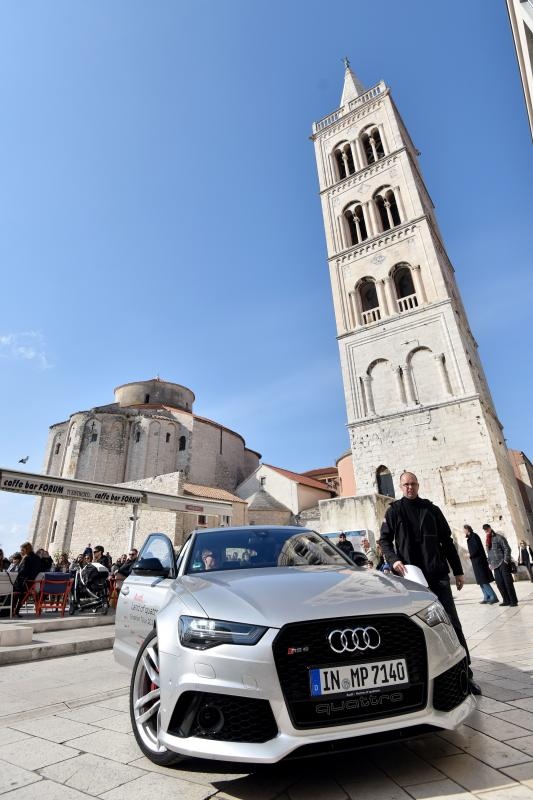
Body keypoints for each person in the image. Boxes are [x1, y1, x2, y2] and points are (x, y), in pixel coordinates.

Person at [379, 471, 481, 695]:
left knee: (451, 623)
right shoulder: (394, 511)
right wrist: (394, 559)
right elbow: (384, 540)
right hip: (411, 579)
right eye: (406, 484)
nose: (409, 488)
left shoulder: (431, 509)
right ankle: (421, 675)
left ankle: (466, 674)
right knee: (415, 627)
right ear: (400, 486)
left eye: (413, 484)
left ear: (418, 485)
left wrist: (458, 571)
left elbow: (446, 541)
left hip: (437, 575)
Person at [483, 524, 518, 607]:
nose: (486, 531)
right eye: (485, 530)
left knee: (508, 582)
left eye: (487, 529)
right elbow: (489, 553)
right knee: (499, 583)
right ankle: (506, 600)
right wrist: (489, 562)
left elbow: (507, 548)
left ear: (490, 528)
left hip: (502, 562)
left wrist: (506, 560)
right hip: (495, 565)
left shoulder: (499, 537)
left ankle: (513, 601)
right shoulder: (488, 540)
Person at [463, 525, 498, 604]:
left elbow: (477, 549)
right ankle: (486, 597)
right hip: (475, 562)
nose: (463, 531)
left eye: (464, 529)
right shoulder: (469, 538)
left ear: (467, 529)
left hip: (480, 561)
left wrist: (470, 555)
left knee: (483, 579)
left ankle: (493, 596)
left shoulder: (474, 536)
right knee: (480, 580)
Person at [12, 542, 43, 616]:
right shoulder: (37, 558)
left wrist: (16, 573)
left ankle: (11, 609)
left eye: (22, 550)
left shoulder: (27, 558)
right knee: (18, 591)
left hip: (24, 582)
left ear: (27, 550)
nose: (21, 552)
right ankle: (16, 610)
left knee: (11, 588)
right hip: (31, 582)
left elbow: (23, 571)